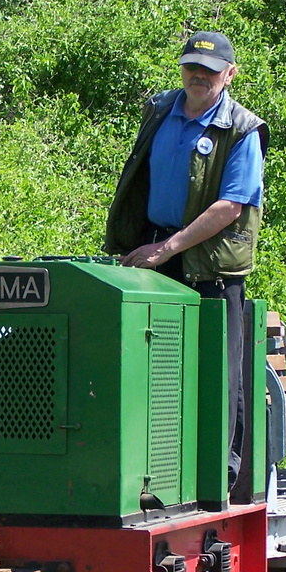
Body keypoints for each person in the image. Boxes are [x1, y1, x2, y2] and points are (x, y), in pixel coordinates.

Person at [105, 30, 267, 486]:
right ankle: (155, 473)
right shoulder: (159, 110)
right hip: (153, 248)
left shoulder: (242, 129)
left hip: (209, 263)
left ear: (230, 74)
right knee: (152, 362)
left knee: (220, 369)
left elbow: (230, 206)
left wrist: (169, 248)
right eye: (192, 66)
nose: (199, 76)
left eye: (210, 71)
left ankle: (221, 476)